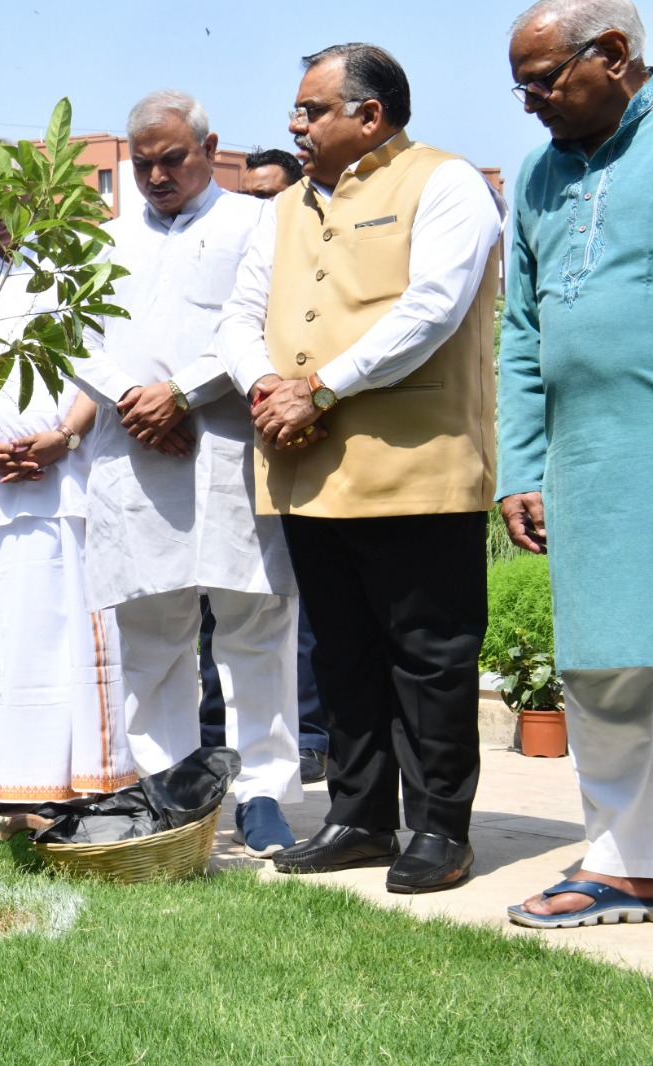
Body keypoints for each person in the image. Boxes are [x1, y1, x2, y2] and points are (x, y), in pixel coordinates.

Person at [216, 43, 504, 894]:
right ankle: (359, 817)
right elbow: (242, 313)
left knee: (430, 654)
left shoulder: (445, 182)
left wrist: (321, 388)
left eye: (311, 111)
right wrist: (263, 383)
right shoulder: (288, 207)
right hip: (308, 469)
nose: (295, 126)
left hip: (414, 463)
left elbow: (434, 307)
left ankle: (440, 829)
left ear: (369, 114)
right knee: (342, 653)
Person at [84, 91, 300, 857]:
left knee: (253, 627)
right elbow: (69, 330)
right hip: (135, 457)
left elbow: (266, 321)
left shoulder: (257, 222)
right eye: (141, 163)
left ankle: (263, 791)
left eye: (172, 158)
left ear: (210, 147)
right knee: (150, 633)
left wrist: (181, 393)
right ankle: (168, 790)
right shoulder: (104, 238)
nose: (156, 175)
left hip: (230, 447)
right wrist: (129, 399)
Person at [0, 139, 134, 810]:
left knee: (74, 631)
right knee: (5, 636)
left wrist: (65, 435)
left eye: (13, 196)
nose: (1, 214)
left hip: (69, 484)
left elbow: (108, 361)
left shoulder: (73, 263)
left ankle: (91, 777)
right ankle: (14, 777)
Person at [500, 0, 653, 929]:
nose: (531, 104)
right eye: (519, 88)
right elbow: (521, 331)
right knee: (603, 665)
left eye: (545, 81)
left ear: (616, 54)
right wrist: (522, 465)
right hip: (587, 457)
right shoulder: (536, 174)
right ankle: (624, 863)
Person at [199, 141, 330, 787]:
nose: (261, 206)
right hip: (235, 425)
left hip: (301, 427)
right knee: (211, 613)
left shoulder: (298, 240)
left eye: (272, 194)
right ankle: (210, 738)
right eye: (251, 194)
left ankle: (306, 734)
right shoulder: (234, 240)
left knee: (284, 612)